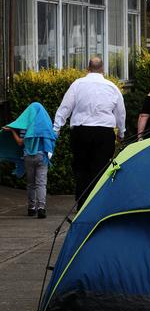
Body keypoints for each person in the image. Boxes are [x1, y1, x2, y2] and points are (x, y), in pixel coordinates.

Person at [53, 57, 126, 211]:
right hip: (104, 132)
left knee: (81, 168)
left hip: (81, 130)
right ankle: (96, 204)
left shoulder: (77, 85)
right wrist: (121, 132)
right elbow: (120, 112)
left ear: (88, 68)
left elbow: (65, 107)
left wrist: (57, 127)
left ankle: (81, 202)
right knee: (100, 168)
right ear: (103, 69)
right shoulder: (112, 87)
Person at [2, 102, 56, 218]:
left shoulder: (25, 126)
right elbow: (52, 138)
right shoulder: (45, 125)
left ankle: (31, 208)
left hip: (28, 157)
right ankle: (41, 208)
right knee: (41, 184)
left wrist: (12, 130)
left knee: (31, 184)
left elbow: (20, 142)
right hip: (42, 156)